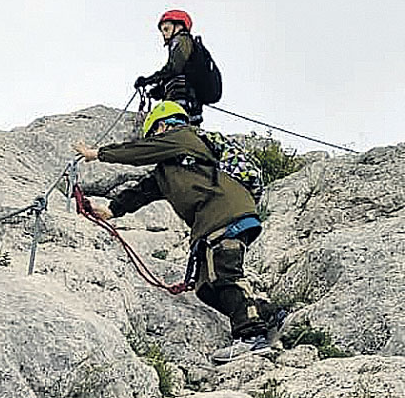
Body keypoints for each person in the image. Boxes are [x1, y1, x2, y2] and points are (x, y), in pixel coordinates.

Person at [73, 101, 269, 362]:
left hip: (224, 212)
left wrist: (97, 154)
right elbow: (143, 191)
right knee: (206, 287)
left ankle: (252, 335)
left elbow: (140, 151)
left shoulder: (184, 137)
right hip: (213, 220)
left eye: (154, 134)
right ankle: (267, 314)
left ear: (163, 126)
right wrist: (112, 209)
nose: (154, 141)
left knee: (224, 275)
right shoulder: (170, 169)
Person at [134, 9, 203, 124]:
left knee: (173, 126)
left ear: (179, 26)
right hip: (189, 101)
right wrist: (160, 90)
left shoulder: (182, 39)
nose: (164, 34)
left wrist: (149, 80)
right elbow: (178, 71)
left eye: (166, 29)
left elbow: (173, 69)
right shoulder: (184, 44)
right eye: (162, 31)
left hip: (182, 98)